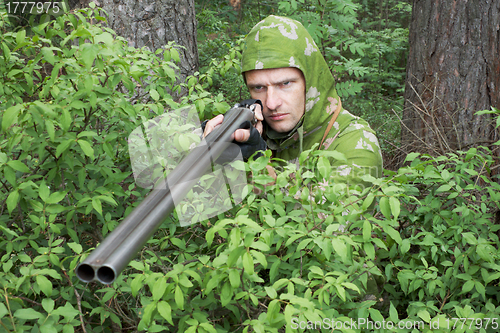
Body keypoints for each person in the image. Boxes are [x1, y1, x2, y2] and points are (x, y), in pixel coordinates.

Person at [203, 15, 383, 189]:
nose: (272, 104)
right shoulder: (256, 130)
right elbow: (201, 211)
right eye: (259, 88)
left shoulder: (356, 143)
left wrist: (256, 163)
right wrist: (208, 153)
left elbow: (320, 218)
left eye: (285, 84)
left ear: (311, 81)